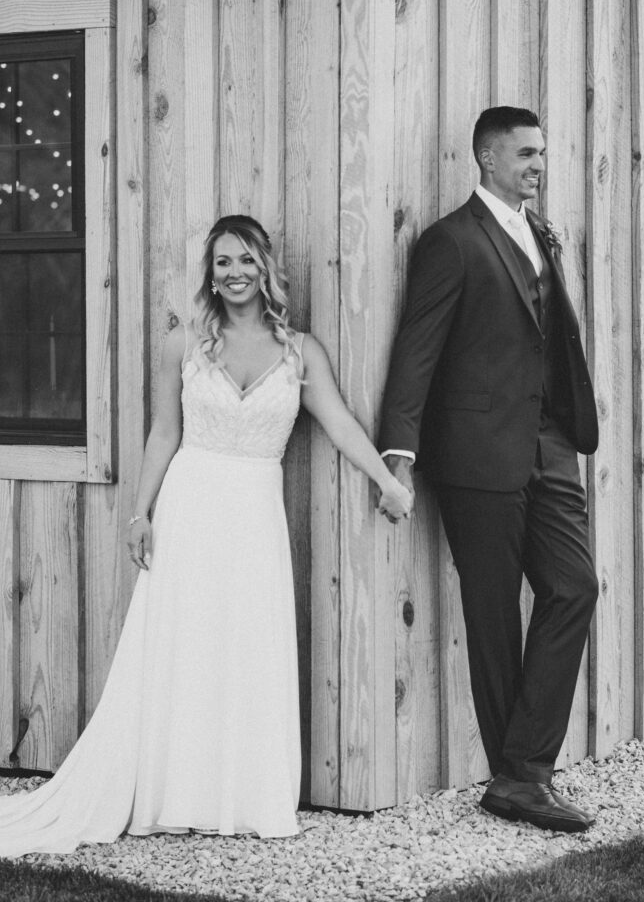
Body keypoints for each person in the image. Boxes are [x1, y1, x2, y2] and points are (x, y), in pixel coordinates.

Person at [0, 214, 412, 858]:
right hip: (191, 504)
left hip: (254, 512)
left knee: (247, 643)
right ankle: (175, 793)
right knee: (183, 645)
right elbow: (164, 432)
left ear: (267, 267)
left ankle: (241, 796)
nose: (235, 273)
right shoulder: (184, 344)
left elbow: (338, 422)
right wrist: (140, 513)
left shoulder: (300, 349)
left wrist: (387, 481)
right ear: (209, 273)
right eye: (222, 262)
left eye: (246, 260)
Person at [377, 107, 600, 833]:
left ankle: (518, 772)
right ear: (487, 157)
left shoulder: (539, 234)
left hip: (550, 446)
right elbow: (418, 346)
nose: (538, 164)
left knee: (574, 587)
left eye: (542, 153)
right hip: (476, 455)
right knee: (494, 615)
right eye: (526, 153)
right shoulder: (452, 242)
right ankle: (525, 782)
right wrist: (398, 456)